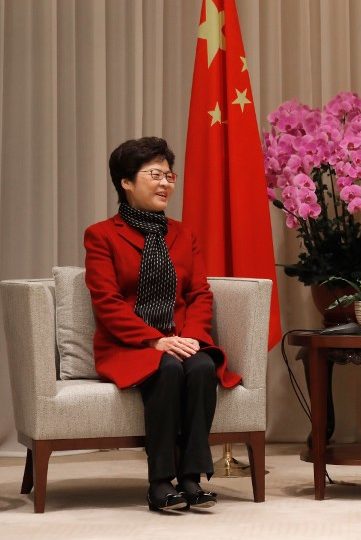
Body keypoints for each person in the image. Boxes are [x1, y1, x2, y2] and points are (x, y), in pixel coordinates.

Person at [84, 137, 241, 512]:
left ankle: (191, 478)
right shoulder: (101, 235)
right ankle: (159, 482)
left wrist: (190, 337)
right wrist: (155, 341)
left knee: (202, 366)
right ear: (126, 181)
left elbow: (199, 294)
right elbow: (106, 302)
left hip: (180, 338)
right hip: (129, 345)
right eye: (154, 175)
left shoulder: (183, 234)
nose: (165, 183)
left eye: (169, 175)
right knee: (167, 368)